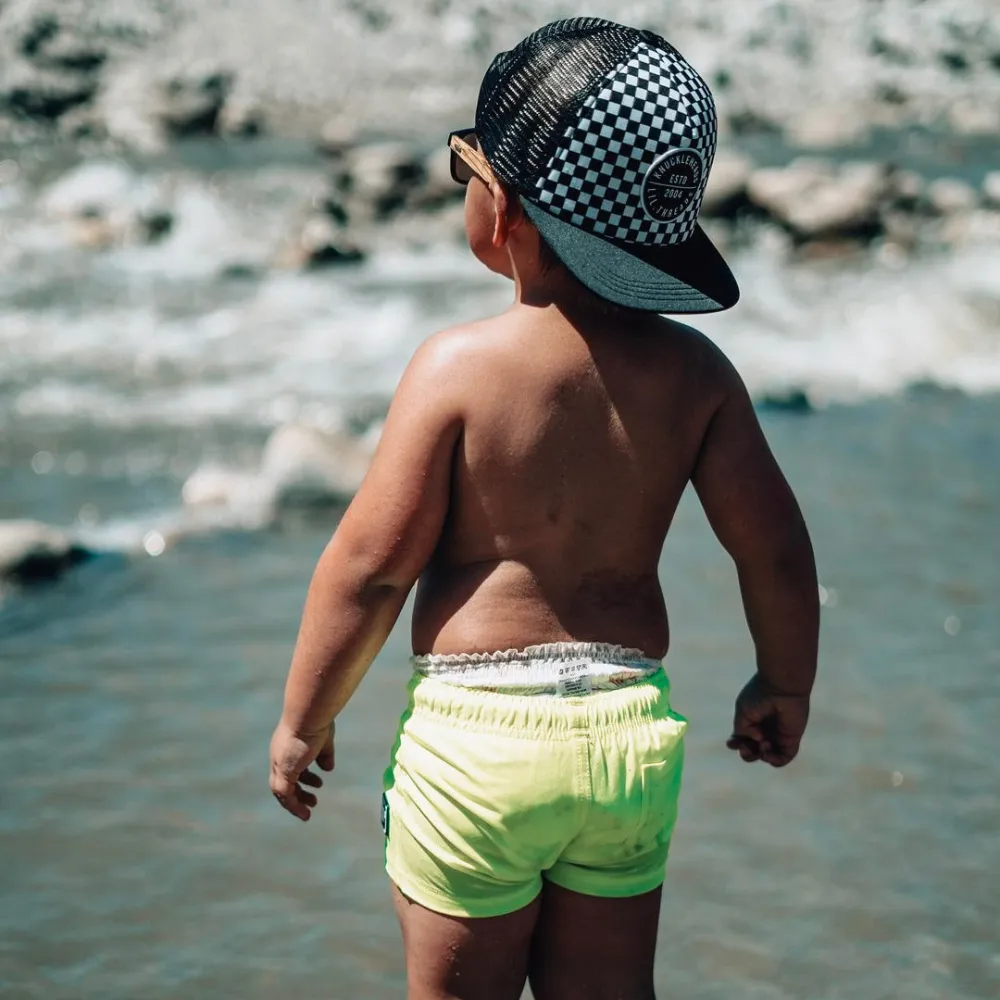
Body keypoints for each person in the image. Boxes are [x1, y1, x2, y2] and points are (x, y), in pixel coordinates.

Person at [269, 17, 819, 1000]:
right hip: (623, 743)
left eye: (464, 171)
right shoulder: (697, 376)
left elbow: (373, 568)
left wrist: (304, 718)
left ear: (507, 209)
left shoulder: (456, 369)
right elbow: (771, 550)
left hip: (479, 744)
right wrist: (783, 683)